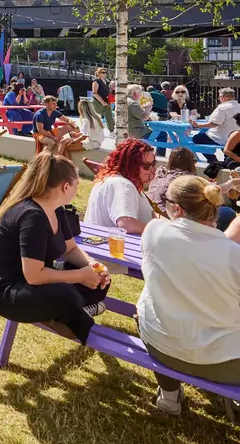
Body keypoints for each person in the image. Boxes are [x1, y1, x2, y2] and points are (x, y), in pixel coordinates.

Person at [0, 153, 111, 345]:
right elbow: (34, 275)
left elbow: (70, 249)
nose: (76, 190)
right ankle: (81, 323)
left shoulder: (56, 208)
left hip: (32, 282)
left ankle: (67, 311)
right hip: (6, 289)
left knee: (99, 281)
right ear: (65, 187)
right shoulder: (31, 216)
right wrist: (80, 276)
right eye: (76, 186)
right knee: (64, 295)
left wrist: (92, 266)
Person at [137, 175, 240, 415]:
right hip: (226, 363)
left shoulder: (154, 232)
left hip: (162, 349)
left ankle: (169, 398)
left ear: (175, 208)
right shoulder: (231, 255)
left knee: (146, 303)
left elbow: (193, 247)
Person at [147, 147, 238, 231]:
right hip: (173, 219)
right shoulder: (184, 178)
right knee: (226, 213)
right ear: (189, 162)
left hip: (154, 214)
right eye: (194, 161)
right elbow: (209, 192)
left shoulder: (160, 173)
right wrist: (231, 183)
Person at [84, 138, 156, 234]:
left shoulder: (120, 181)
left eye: (153, 164)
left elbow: (152, 216)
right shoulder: (121, 184)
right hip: (113, 247)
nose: (152, 169)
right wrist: (158, 231)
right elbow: (127, 224)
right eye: (146, 166)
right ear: (131, 164)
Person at [192, 88, 240, 163]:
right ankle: (225, 158)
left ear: (223, 97)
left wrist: (198, 125)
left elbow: (214, 124)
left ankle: (212, 159)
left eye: (219, 97)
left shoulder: (222, 108)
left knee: (197, 138)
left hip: (220, 138)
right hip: (235, 138)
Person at [91, 67, 114, 134]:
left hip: (105, 102)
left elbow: (108, 92)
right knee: (107, 115)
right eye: (103, 72)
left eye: (105, 72)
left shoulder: (106, 82)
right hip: (97, 102)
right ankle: (111, 131)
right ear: (98, 73)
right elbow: (95, 93)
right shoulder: (96, 81)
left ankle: (111, 130)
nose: (105, 74)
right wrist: (102, 102)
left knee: (109, 116)